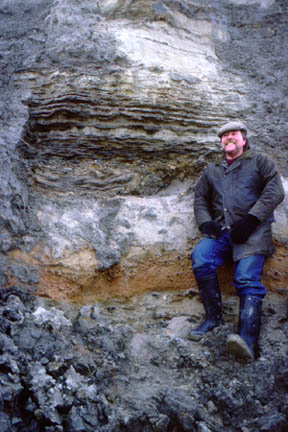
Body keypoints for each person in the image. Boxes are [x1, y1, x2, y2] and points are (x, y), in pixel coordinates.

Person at [188, 120, 285, 361]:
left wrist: (251, 220)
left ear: (243, 139)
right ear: (221, 143)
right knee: (201, 256)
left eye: (233, 134)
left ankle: (247, 341)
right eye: (224, 136)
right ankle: (213, 319)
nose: (228, 138)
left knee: (245, 278)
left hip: (253, 233)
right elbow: (200, 198)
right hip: (222, 233)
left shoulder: (260, 162)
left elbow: (275, 191)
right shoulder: (211, 171)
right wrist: (205, 223)